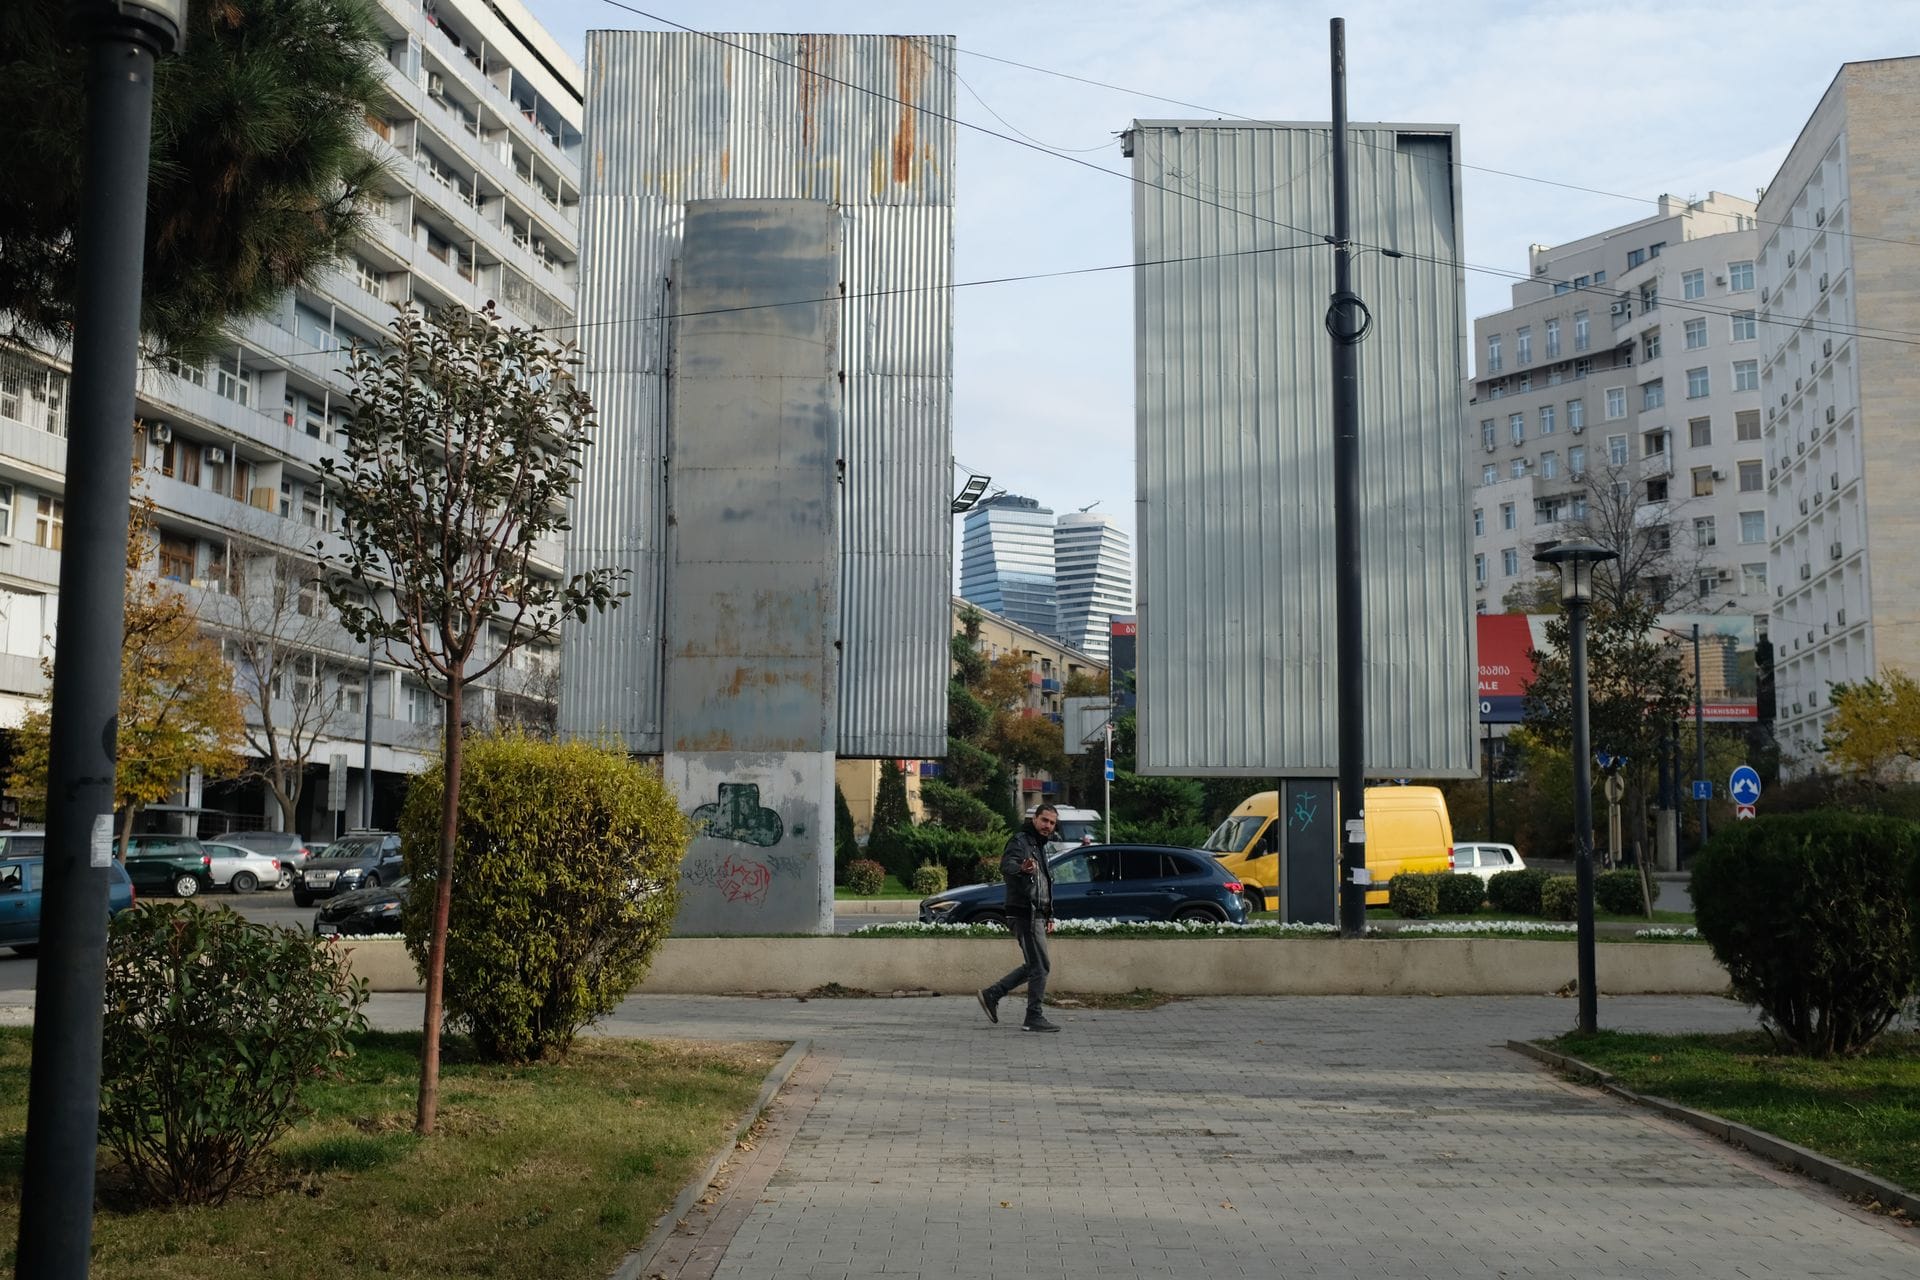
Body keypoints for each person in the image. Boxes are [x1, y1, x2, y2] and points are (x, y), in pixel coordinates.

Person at [977, 805, 1061, 1032]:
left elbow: (1044, 885)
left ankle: (992, 994)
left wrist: (1048, 914)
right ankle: (1033, 1016)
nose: (1048, 826)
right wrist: (1022, 869)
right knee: (1040, 966)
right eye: (1044, 820)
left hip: (1036, 914)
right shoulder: (1021, 841)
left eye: (1052, 823)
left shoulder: (1040, 846)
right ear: (1035, 819)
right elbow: (1007, 866)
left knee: (1034, 965)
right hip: (1025, 913)